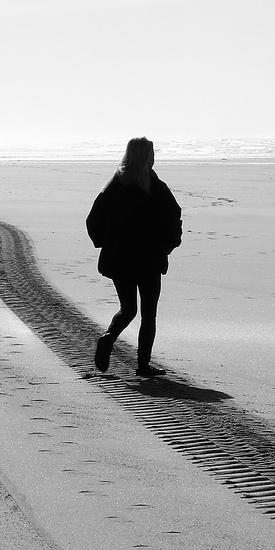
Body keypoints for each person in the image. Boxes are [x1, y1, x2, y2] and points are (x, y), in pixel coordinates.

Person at [86, 136, 182, 378]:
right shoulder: (155, 186)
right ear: (146, 157)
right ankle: (143, 366)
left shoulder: (113, 186)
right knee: (148, 314)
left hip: (119, 259)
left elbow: (92, 221)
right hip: (148, 259)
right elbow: (174, 217)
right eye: (152, 153)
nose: (154, 158)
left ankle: (108, 339)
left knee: (128, 309)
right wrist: (168, 245)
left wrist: (105, 243)